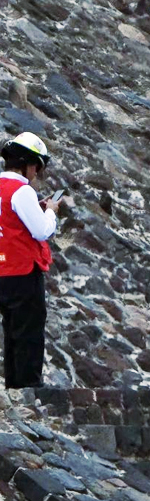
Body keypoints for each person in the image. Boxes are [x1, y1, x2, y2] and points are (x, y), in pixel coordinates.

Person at [0, 133, 59, 389]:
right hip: (23, 273)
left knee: (10, 332)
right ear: (29, 163)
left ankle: (13, 388)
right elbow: (41, 231)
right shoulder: (21, 191)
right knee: (28, 334)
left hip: (2, 269)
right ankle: (27, 389)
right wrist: (50, 211)